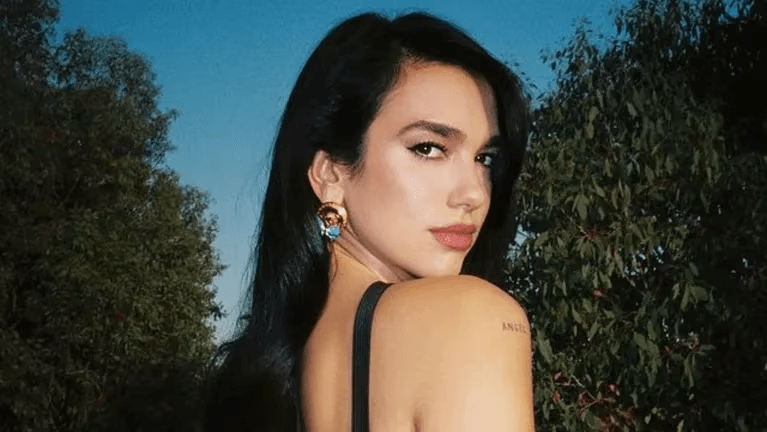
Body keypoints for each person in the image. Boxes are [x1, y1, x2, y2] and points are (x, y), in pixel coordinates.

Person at [204, 11, 534, 432]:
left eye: (484, 158)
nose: (474, 194)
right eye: (429, 148)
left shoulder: (280, 364)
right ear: (331, 174)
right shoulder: (469, 319)